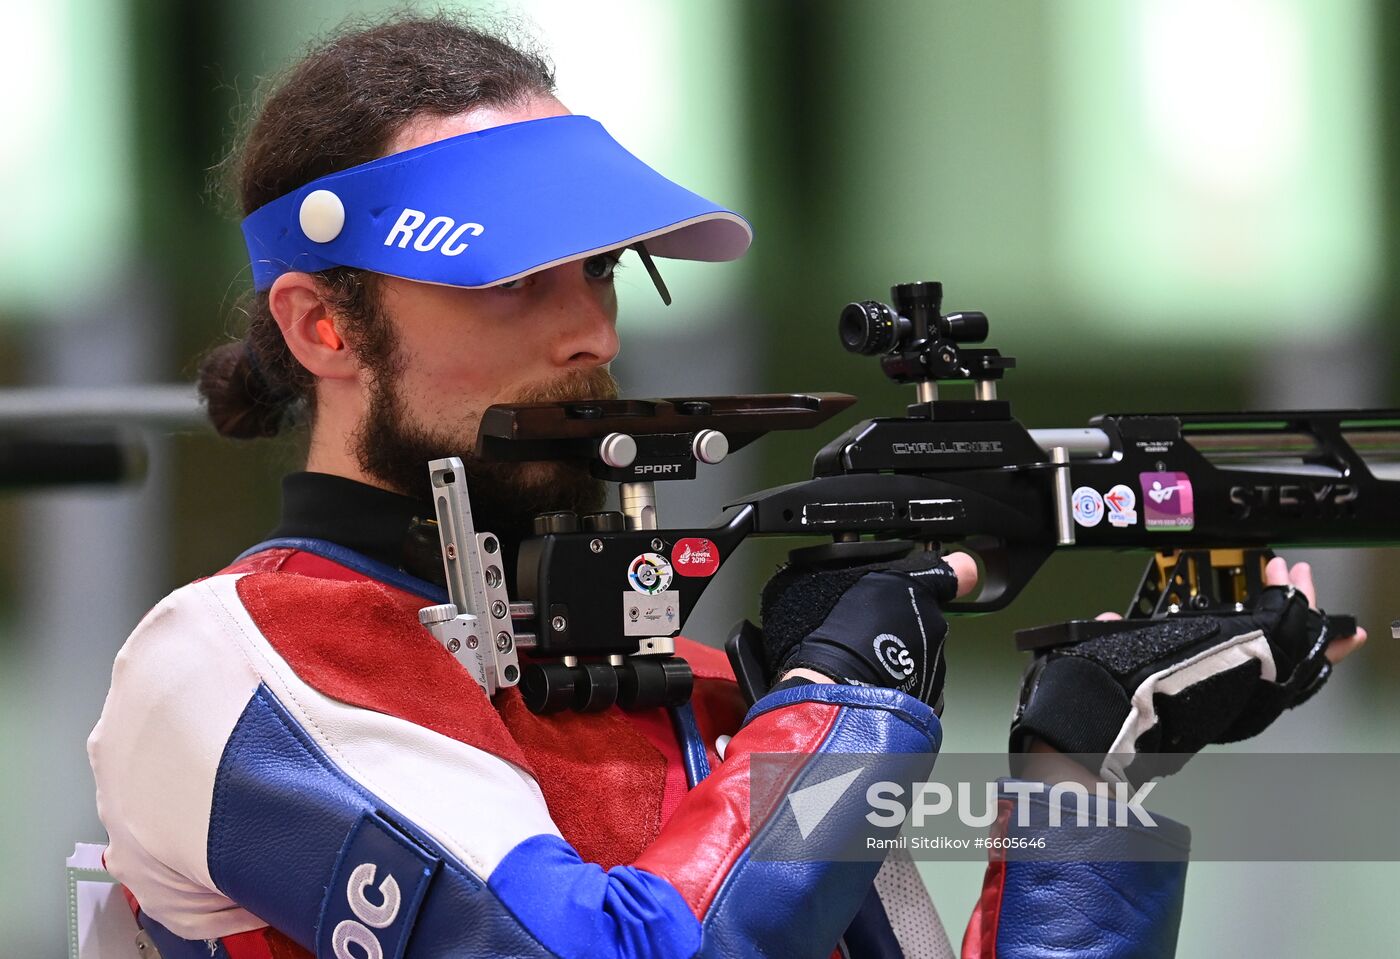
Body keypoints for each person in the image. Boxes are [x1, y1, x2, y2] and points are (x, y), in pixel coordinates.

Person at [87, 15, 1366, 959]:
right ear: (322, 326)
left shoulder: (706, 689)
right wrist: (842, 705)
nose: (587, 330)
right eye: (511, 279)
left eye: (601, 272)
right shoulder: (229, 660)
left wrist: (1081, 767)